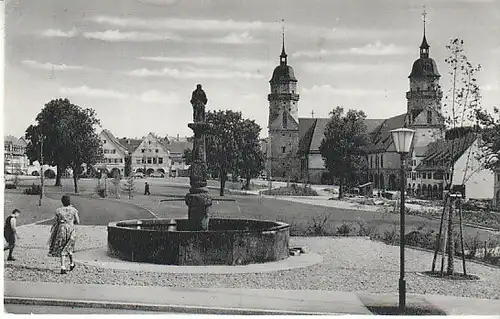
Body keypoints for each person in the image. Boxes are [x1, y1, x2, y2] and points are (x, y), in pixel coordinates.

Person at [48, 195, 80, 274]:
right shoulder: (73, 210)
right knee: (69, 246)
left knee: (62, 246)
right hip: (70, 229)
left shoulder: (58, 210)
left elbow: (56, 221)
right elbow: (78, 221)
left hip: (61, 229)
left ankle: (63, 266)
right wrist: (71, 222)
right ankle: (71, 263)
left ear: (62, 202)